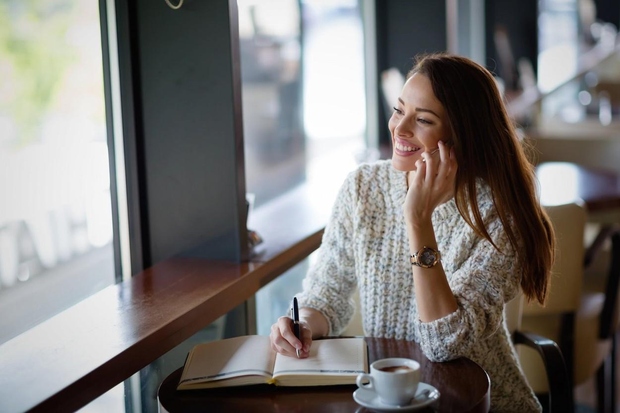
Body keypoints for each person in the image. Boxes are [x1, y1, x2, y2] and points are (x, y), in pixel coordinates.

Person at [269, 52, 555, 412]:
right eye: (397, 110)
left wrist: (417, 220)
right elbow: (326, 292)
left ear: (461, 136)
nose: (400, 129)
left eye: (422, 120)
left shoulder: (497, 215)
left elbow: (443, 343)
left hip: (480, 404)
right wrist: (303, 324)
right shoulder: (363, 187)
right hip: (385, 398)